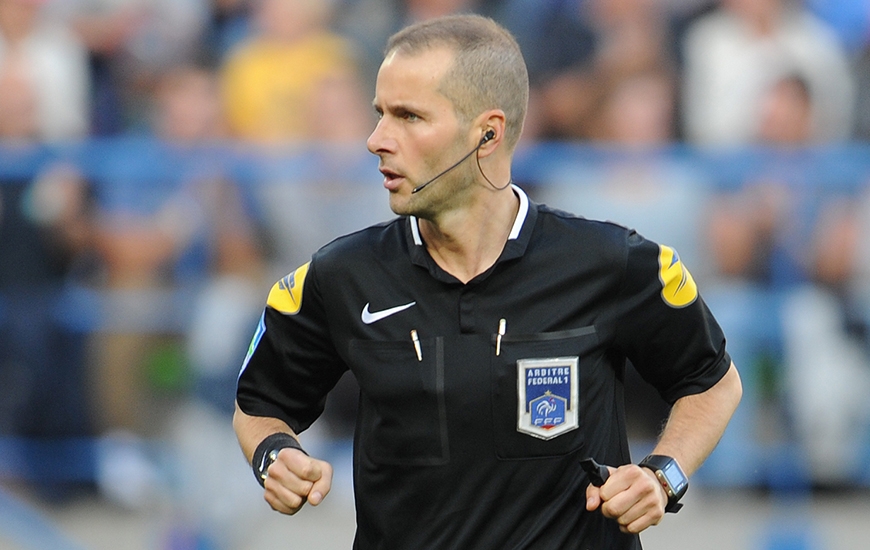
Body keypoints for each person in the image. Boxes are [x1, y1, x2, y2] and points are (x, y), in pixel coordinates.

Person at [234, 14, 742, 549]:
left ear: (488, 134)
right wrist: (274, 457)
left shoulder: (610, 262)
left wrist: (664, 476)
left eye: (409, 116)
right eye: (380, 114)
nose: (376, 139)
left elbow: (713, 382)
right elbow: (258, 404)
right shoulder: (342, 276)